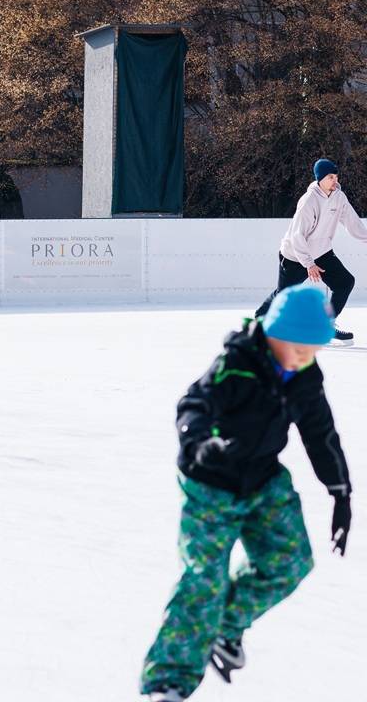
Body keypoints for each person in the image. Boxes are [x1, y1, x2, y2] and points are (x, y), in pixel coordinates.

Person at [140, 285, 352, 701]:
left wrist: (340, 492)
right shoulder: (236, 363)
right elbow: (193, 404)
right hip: (210, 484)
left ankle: (224, 629)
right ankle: (167, 682)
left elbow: (320, 432)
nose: (305, 358)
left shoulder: (305, 375)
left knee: (290, 561)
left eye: (313, 350)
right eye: (299, 348)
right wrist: (199, 443)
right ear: (275, 334)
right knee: (204, 581)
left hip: (262, 479)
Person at [254, 157, 367, 345]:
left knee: (345, 282)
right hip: (295, 255)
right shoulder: (309, 201)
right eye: (330, 177)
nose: (335, 180)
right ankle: (260, 319)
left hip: (322, 251)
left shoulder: (339, 197)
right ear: (320, 178)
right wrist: (309, 264)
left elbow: (353, 223)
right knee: (284, 296)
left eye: (336, 176)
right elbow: (297, 235)